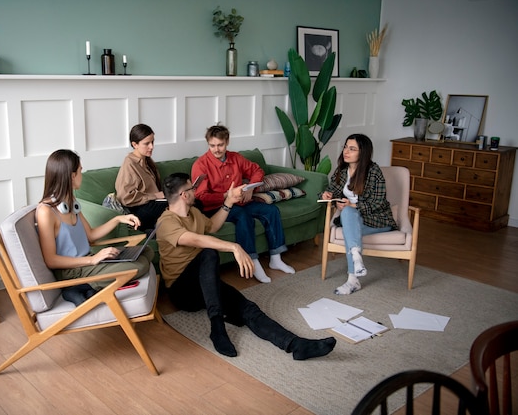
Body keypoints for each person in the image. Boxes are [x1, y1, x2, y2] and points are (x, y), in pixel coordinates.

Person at [156, 172, 336, 360]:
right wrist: (234, 246)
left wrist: (229, 202)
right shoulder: (165, 222)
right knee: (208, 253)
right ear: (184, 195)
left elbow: (212, 226)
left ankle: (296, 345)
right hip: (182, 291)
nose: (195, 190)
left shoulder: (193, 213)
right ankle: (217, 328)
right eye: (192, 188)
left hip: (204, 282)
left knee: (247, 308)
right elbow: (194, 239)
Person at [36, 149, 154, 305]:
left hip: (87, 262)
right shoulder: (46, 211)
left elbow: (90, 235)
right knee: (139, 265)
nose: (81, 175)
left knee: (146, 251)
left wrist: (118, 219)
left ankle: (88, 288)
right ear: (72, 176)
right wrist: (93, 260)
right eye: (80, 171)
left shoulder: (70, 201)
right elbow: (51, 260)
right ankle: (78, 287)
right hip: (72, 272)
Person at [192, 124, 294, 283]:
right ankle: (252, 261)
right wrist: (227, 195)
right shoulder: (201, 165)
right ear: (208, 144)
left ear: (227, 142)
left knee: (271, 210)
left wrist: (250, 189)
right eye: (212, 145)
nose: (216, 149)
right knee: (243, 216)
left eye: (220, 145)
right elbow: (201, 197)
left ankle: (276, 258)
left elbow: (257, 171)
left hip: (241, 202)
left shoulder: (236, 158)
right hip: (217, 208)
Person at [320, 134, 397, 295]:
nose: (346, 152)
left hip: (377, 221)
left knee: (349, 216)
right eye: (345, 147)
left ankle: (353, 276)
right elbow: (332, 189)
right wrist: (326, 195)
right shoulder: (342, 170)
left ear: (363, 152)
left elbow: (378, 202)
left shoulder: (373, 171)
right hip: (353, 220)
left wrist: (353, 204)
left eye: (352, 149)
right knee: (348, 213)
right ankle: (355, 262)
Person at [115, 124, 167, 231]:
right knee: (178, 205)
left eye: (152, 142)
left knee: (188, 201)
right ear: (135, 144)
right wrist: (155, 196)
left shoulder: (147, 160)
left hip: (153, 204)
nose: (151, 147)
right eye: (147, 143)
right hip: (139, 210)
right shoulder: (130, 163)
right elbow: (125, 197)